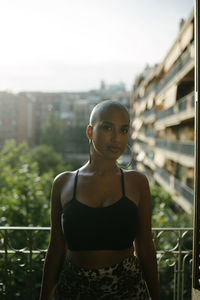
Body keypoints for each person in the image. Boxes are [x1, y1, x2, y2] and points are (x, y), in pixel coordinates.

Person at [39, 100, 160, 300]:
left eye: (123, 130)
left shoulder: (137, 182)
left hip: (127, 290)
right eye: (107, 127)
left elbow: (146, 247)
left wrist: (156, 297)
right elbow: (56, 249)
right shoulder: (63, 183)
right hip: (74, 290)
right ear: (89, 132)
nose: (116, 138)